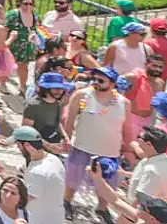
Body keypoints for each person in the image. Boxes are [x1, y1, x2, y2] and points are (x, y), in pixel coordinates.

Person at [63, 66, 128, 222]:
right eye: (94, 79)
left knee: (108, 183)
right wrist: (66, 138)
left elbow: (127, 128)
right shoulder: (81, 95)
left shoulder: (124, 102)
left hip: (110, 151)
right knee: (73, 179)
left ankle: (102, 208)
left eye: (100, 80)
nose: (95, 83)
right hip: (83, 146)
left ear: (112, 84)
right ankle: (66, 202)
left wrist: (128, 150)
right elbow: (69, 120)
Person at [9, 126, 67, 224]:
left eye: (19, 146)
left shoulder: (37, 173)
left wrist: (2, 174)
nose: (18, 149)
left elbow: (22, 201)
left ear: (27, 146)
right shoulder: (54, 159)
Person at [88, 163, 167, 224]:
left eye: (142, 207)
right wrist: (98, 179)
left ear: (152, 219)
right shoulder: (143, 218)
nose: (138, 205)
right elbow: (115, 200)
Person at [127, 125, 167, 218]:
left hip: (153, 216)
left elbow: (141, 198)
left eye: (139, 138)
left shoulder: (151, 171)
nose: (137, 141)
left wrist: (127, 217)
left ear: (149, 145)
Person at [22, 72, 74, 148]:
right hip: (35, 147)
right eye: (55, 88)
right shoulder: (33, 105)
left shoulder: (59, 103)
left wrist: (65, 137)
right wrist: (48, 145)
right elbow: (26, 131)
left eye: (61, 88)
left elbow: (57, 123)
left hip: (52, 143)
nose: (59, 91)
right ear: (45, 89)